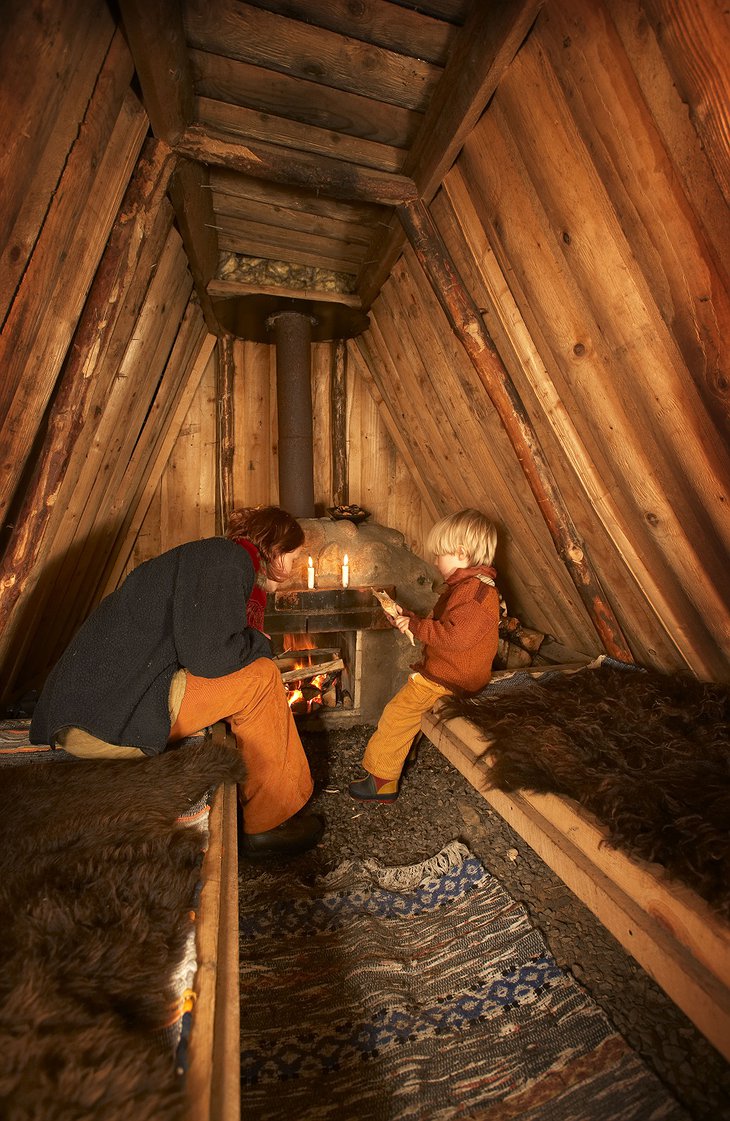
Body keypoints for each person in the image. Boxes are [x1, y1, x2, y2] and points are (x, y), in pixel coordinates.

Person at [30, 505, 324, 859]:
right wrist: (263, 643)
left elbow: (199, 650)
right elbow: (211, 658)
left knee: (250, 673)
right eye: (293, 556)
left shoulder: (207, 558)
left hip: (87, 715)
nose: (292, 568)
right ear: (275, 549)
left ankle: (259, 799)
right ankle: (268, 824)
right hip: (108, 722)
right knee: (261, 677)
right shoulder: (227, 559)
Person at [349, 508, 500, 803]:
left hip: (451, 676)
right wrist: (410, 618)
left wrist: (416, 625)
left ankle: (381, 781)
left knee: (397, 714)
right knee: (408, 712)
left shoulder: (479, 594)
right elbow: (445, 626)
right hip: (450, 670)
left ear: (460, 552)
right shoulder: (466, 588)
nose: (434, 560)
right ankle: (402, 757)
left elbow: (454, 637)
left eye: (439, 554)